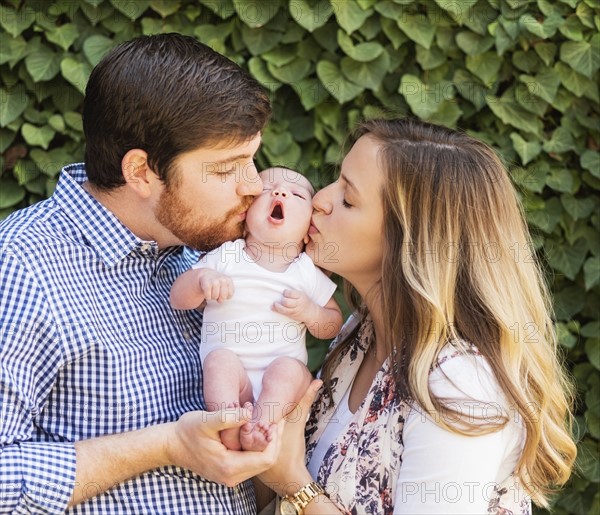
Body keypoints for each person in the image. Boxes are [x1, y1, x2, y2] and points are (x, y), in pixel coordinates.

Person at [0, 33, 280, 514]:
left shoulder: (204, 252)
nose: (255, 186)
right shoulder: (21, 266)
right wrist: (166, 446)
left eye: (252, 159)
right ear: (141, 172)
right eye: (225, 169)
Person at [259, 118, 577, 515]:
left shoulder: (461, 385)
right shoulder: (360, 333)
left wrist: (294, 484)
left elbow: (290, 477)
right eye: (336, 181)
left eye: (348, 199)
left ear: (408, 242)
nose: (319, 199)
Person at [170, 167, 343, 452]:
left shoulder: (306, 272)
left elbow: (332, 325)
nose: (280, 192)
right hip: (232, 377)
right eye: (266, 189)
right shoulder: (226, 256)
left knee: (289, 371)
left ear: (307, 232)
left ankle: (263, 423)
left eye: (297, 195)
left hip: (279, 385)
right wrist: (201, 281)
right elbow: (178, 299)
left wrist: (311, 313)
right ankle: (229, 423)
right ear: (246, 218)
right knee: (219, 362)